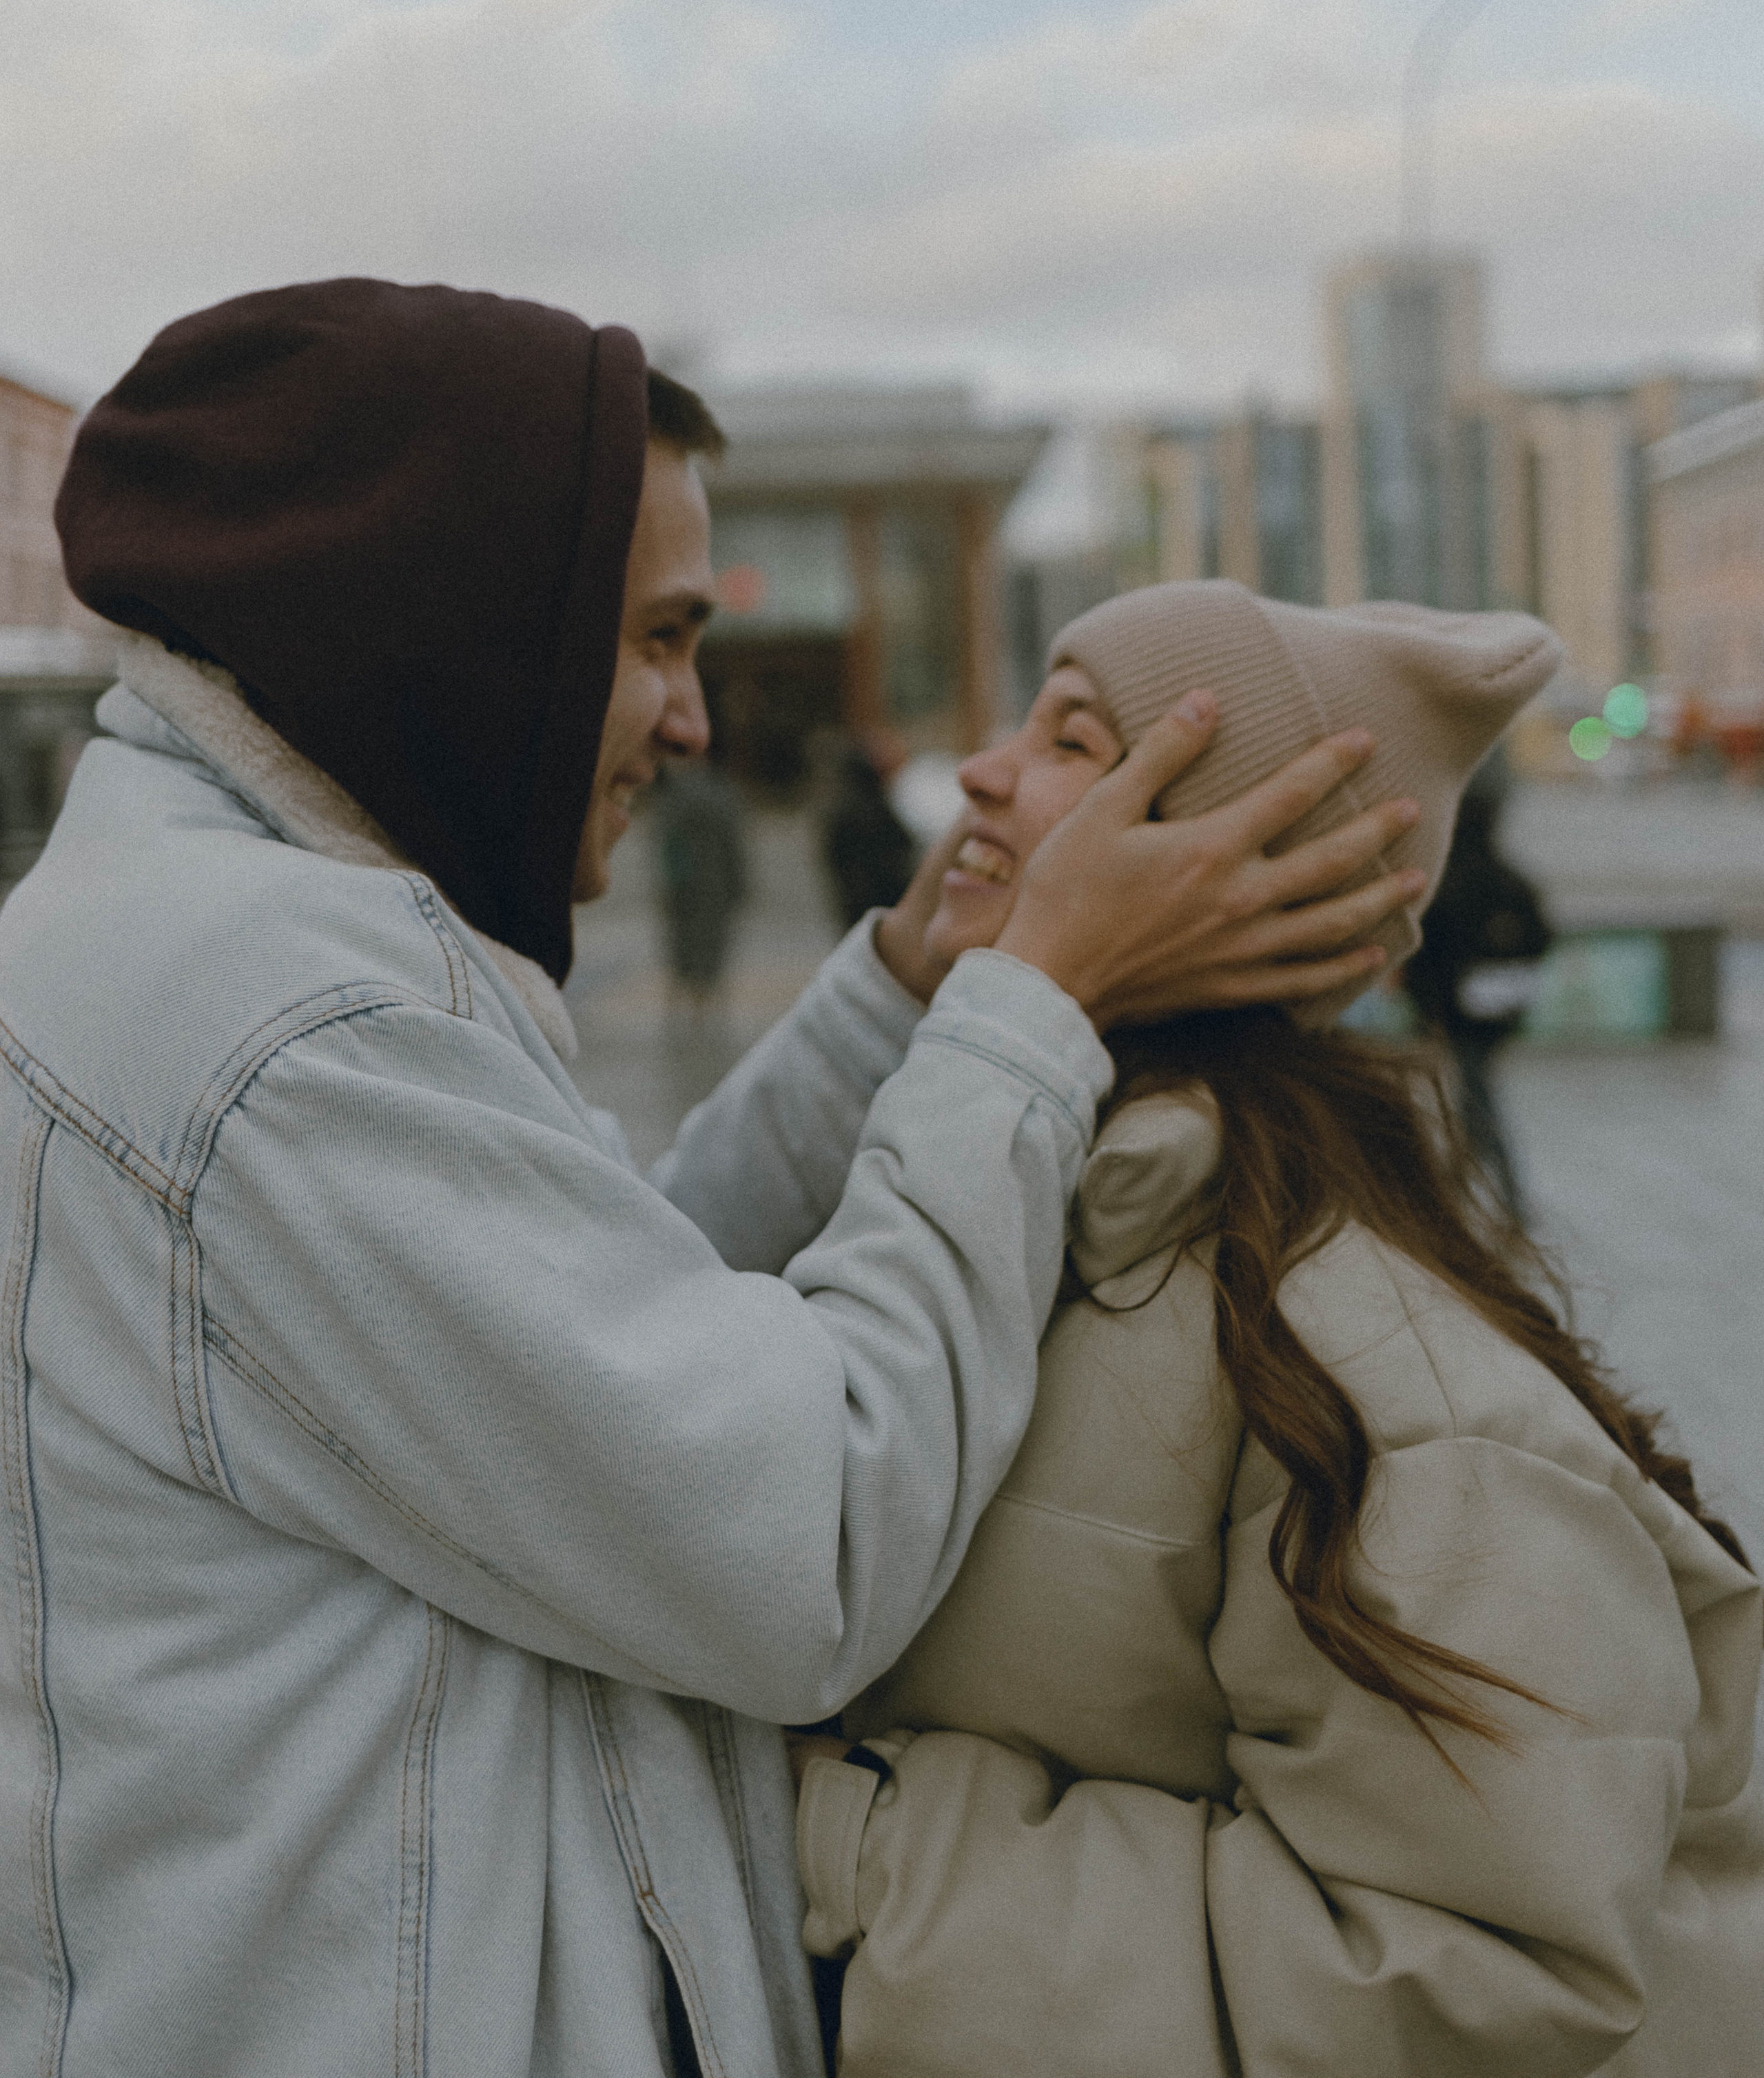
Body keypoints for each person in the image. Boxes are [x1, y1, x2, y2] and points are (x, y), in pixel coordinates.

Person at [1, 282, 1419, 2078]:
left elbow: (592, 1344)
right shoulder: (290, 1037)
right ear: (462, 628)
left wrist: (907, 988)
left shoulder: (211, 936)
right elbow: (795, 1542)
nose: (688, 721)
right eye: (660, 639)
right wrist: (1031, 1011)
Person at [797, 579, 1764, 2078]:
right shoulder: (1015, 1238)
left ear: (1235, 865)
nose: (981, 771)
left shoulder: (1385, 1382)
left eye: (1069, 738)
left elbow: (1475, 1973)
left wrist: (842, 1851)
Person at [1402, 752, 1552, 1219]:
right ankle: (1467, 1187)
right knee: (1474, 1091)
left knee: (1476, 1097)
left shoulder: (1447, 884)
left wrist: (1422, 1007)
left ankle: (1497, 1195)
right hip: (1502, 1010)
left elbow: (1427, 954)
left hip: (1453, 1011)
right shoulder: (1511, 880)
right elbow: (1542, 937)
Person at [650, 748, 750, 1006]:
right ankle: (706, 1013)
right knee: (711, 954)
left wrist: (671, 885)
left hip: (686, 887)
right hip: (717, 886)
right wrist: (739, 885)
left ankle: (681, 1013)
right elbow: (734, 846)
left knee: (682, 953)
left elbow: (671, 846)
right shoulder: (723, 793)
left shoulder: (674, 797)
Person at [821, 738, 918, 929]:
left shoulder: (840, 809)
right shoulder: (878, 807)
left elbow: (832, 852)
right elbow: (903, 844)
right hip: (883, 889)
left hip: (855, 893)